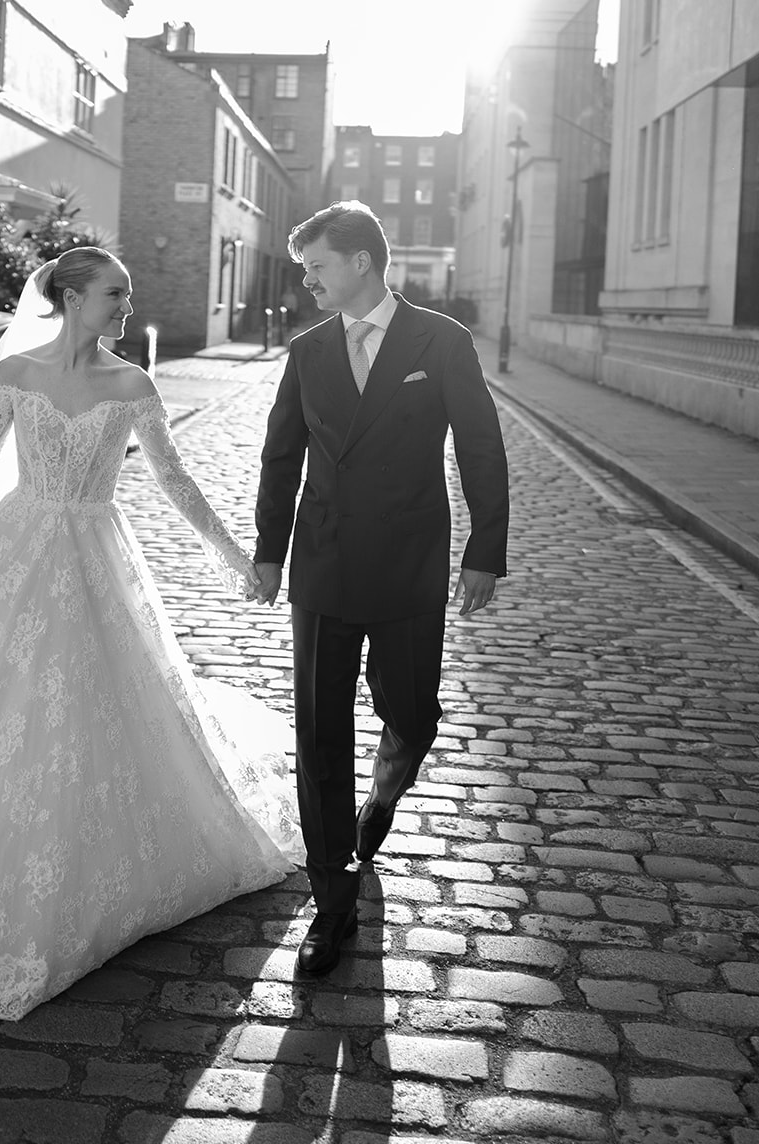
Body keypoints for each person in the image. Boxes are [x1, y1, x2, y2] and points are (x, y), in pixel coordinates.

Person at [0, 248, 301, 1022]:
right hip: (13, 551)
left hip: (96, 556)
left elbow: (174, 478)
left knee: (91, 698)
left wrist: (232, 554)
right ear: (71, 296)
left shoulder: (133, 383)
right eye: (115, 294)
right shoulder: (17, 374)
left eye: (128, 295)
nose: (127, 307)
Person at [251, 201, 509, 975]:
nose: (307, 281)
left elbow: (480, 446)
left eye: (317, 266)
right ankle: (331, 901)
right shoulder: (307, 351)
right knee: (320, 736)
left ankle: (381, 801)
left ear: (361, 261)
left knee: (414, 716)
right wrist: (269, 552)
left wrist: (484, 551)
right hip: (324, 562)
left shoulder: (441, 340)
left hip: (408, 562)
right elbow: (279, 456)